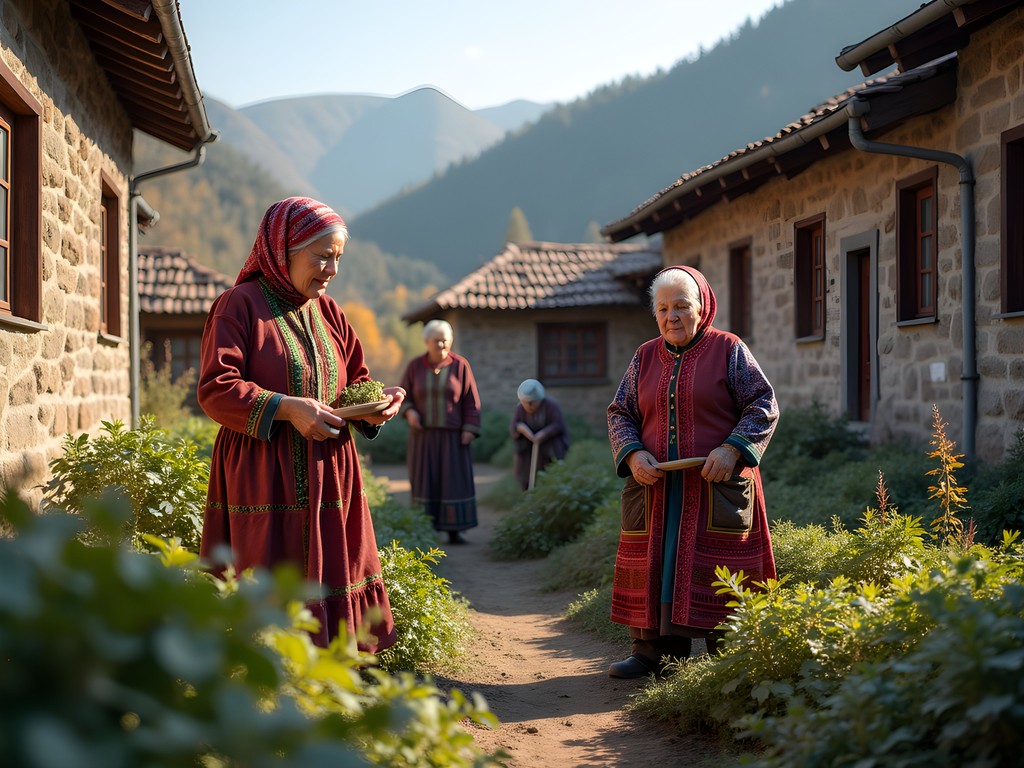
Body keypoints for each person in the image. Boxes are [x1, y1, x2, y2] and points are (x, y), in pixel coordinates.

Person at [197, 196, 405, 653]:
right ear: (282, 249)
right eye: (322, 256)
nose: (332, 268)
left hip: (331, 473)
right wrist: (288, 408)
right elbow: (215, 388)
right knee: (267, 580)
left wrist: (375, 406)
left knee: (335, 570)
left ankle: (332, 677)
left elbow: (358, 380)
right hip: (263, 475)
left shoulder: (330, 313)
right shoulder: (239, 306)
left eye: (338, 257)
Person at [606, 266, 778, 679]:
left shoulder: (729, 349)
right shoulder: (644, 356)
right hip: (657, 487)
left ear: (703, 307)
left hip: (716, 486)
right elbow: (620, 414)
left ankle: (729, 655)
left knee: (721, 571)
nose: (672, 317)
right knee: (656, 562)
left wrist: (732, 449)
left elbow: (763, 405)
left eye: (682, 306)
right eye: (663, 309)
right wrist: (632, 456)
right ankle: (653, 654)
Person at [400, 319, 481, 544]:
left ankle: (455, 530)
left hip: (452, 437)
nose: (441, 345)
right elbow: (402, 396)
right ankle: (425, 529)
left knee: (453, 481)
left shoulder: (460, 366)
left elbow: (471, 401)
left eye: (445, 341)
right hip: (423, 437)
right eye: (436, 341)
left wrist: (469, 428)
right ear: (426, 342)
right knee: (425, 480)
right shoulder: (414, 367)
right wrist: (410, 413)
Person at [510, 378, 570, 491]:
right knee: (526, 477)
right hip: (527, 451)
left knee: (549, 475)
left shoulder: (551, 406)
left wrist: (544, 433)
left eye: (532, 402)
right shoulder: (519, 409)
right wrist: (521, 429)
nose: (530, 405)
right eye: (526, 402)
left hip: (549, 448)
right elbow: (514, 427)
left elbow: (558, 425)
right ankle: (527, 496)